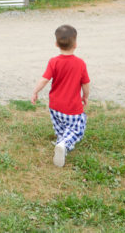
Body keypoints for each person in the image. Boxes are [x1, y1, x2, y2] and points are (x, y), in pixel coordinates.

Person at [30, 24, 91, 167]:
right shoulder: (80, 63)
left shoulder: (53, 62)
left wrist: (35, 92)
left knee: (61, 127)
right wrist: (85, 96)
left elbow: (44, 79)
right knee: (77, 128)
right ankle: (64, 144)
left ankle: (61, 142)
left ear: (56, 44)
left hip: (55, 106)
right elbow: (86, 84)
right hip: (72, 107)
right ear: (75, 44)